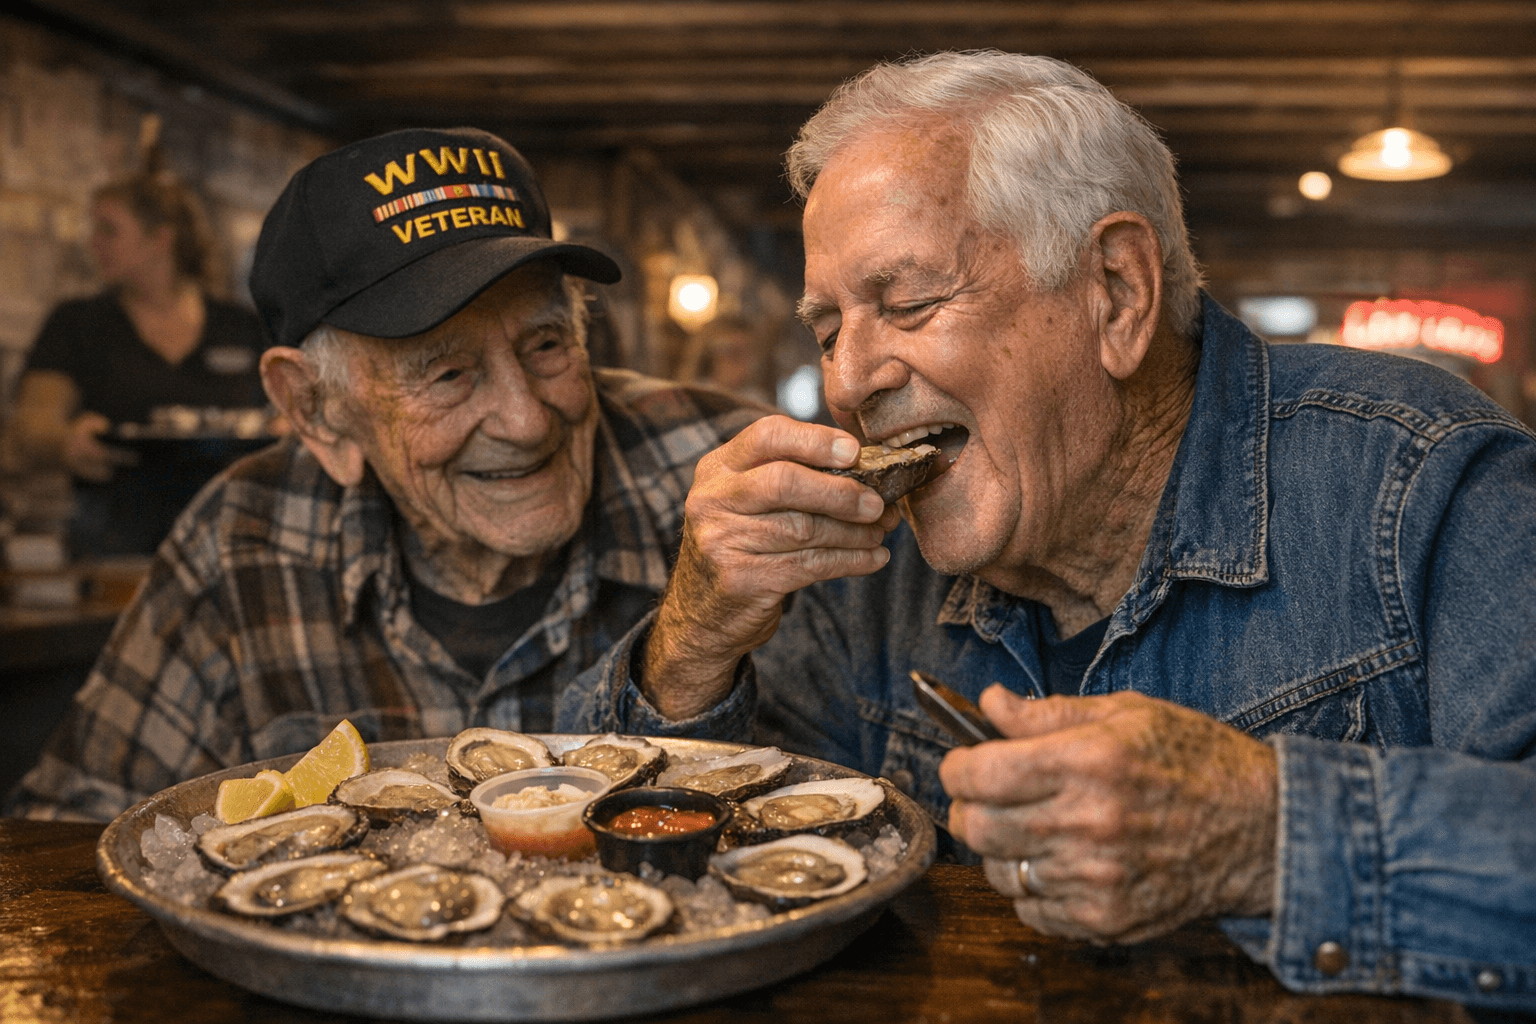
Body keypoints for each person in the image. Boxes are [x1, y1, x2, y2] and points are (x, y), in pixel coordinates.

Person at [559, 52, 1536, 1010]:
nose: (848, 381)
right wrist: (695, 638)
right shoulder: (861, 565)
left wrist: (1264, 834)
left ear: (1115, 290)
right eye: (827, 330)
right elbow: (644, 882)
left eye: (908, 303)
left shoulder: (1429, 485)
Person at [5, 126, 765, 822]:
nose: (527, 419)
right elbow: (71, 833)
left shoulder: (727, 474)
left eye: (545, 344)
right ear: (313, 408)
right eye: (446, 375)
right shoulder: (239, 542)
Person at [8, 164, 271, 555]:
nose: (93, 243)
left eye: (108, 230)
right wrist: (65, 441)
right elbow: (33, 421)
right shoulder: (76, 321)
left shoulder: (241, 326)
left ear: (159, 240)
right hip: (114, 538)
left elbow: (286, 410)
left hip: (233, 533)